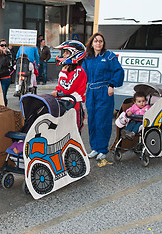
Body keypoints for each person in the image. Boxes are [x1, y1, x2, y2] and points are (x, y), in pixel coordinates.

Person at [82, 32, 124, 160]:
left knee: (102, 121)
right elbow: (83, 75)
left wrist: (112, 85)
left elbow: (119, 71)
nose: (98, 43)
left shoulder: (109, 56)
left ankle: (102, 149)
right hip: (91, 92)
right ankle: (94, 148)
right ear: (92, 43)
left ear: (103, 43)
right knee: (92, 121)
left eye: (100, 41)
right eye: (96, 41)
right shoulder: (87, 58)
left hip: (104, 92)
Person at [51, 40, 87, 131]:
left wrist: (63, 74)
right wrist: (57, 90)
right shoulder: (69, 70)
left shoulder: (78, 71)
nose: (63, 55)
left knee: (72, 135)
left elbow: (67, 89)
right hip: (64, 106)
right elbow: (61, 86)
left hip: (74, 108)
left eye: (66, 53)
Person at [0, 39, 12, 106]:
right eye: (2, 45)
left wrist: (4, 54)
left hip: (5, 77)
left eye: (5, 45)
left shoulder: (8, 54)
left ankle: (4, 107)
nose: (4, 47)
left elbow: (3, 64)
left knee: (3, 94)